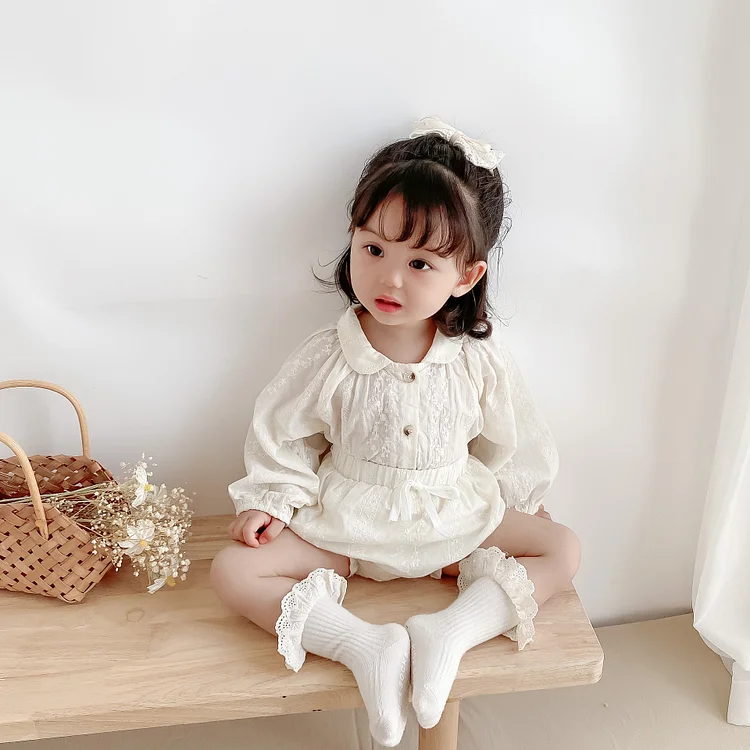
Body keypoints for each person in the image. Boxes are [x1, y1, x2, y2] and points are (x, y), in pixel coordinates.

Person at [210, 117, 580, 747]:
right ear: (352, 239)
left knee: (563, 548)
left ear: (465, 277)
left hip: (453, 524)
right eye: (374, 249)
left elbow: (510, 438)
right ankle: (364, 646)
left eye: (421, 263)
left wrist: (522, 497)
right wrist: (271, 500)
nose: (390, 278)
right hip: (348, 529)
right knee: (232, 571)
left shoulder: (476, 358)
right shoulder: (329, 355)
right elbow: (282, 434)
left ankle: (452, 631)